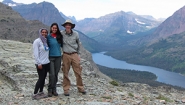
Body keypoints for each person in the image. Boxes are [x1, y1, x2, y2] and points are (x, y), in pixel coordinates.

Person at [61, 19, 86, 96]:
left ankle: (80, 88)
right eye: (66, 25)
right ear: (65, 26)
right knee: (65, 72)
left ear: (71, 26)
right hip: (65, 55)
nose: (68, 26)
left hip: (74, 54)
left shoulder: (76, 34)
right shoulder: (61, 33)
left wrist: (78, 55)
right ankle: (66, 89)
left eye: (69, 25)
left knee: (78, 72)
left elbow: (79, 44)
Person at [32, 28, 50, 100]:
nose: (44, 34)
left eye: (45, 32)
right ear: (40, 33)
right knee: (41, 78)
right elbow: (36, 53)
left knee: (43, 78)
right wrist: (39, 63)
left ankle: (41, 91)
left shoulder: (45, 41)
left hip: (46, 63)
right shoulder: (37, 41)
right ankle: (35, 93)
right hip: (40, 64)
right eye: (43, 32)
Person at [47, 23, 63, 97]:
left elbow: (63, 46)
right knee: (52, 74)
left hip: (58, 57)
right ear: (51, 28)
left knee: (56, 74)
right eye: (53, 28)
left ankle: (54, 89)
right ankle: (50, 89)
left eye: (56, 28)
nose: (54, 29)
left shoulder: (59, 36)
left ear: (57, 29)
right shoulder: (48, 37)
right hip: (51, 57)